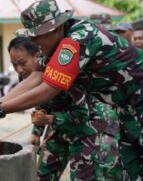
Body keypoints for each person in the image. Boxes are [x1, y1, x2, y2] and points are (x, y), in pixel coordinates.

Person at [0, 0, 143, 180]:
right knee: (133, 168)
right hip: (127, 108)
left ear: (54, 29)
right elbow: (34, 79)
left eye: (36, 35)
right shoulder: (53, 48)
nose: (32, 40)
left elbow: (48, 89)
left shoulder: (77, 40)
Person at [8, 36, 121, 180]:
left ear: (38, 56)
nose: (19, 69)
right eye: (14, 64)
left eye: (23, 63)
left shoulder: (62, 72)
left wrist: (50, 119)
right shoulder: (27, 76)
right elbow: (42, 103)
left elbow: (82, 114)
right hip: (60, 127)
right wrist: (36, 132)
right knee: (41, 176)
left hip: (89, 128)